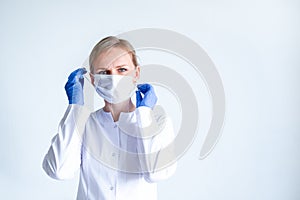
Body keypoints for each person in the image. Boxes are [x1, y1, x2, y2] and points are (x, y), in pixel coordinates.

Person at [42, 36, 177, 200]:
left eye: (122, 70)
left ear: (136, 73)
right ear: (93, 80)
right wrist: (75, 109)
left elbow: (158, 173)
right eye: (104, 73)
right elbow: (59, 171)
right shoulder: (85, 124)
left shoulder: (157, 119)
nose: (114, 78)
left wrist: (143, 115)